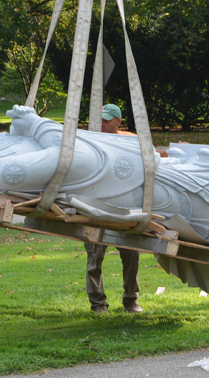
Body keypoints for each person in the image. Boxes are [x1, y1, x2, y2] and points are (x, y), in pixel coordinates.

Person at [85, 104, 143, 314]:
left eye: (107, 119)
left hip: (124, 209)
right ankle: (98, 304)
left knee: (131, 255)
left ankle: (131, 301)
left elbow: (150, 156)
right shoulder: (91, 139)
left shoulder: (130, 139)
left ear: (118, 121)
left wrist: (170, 151)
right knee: (94, 257)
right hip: (95, 207)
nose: (101, 123)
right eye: (100, 118)